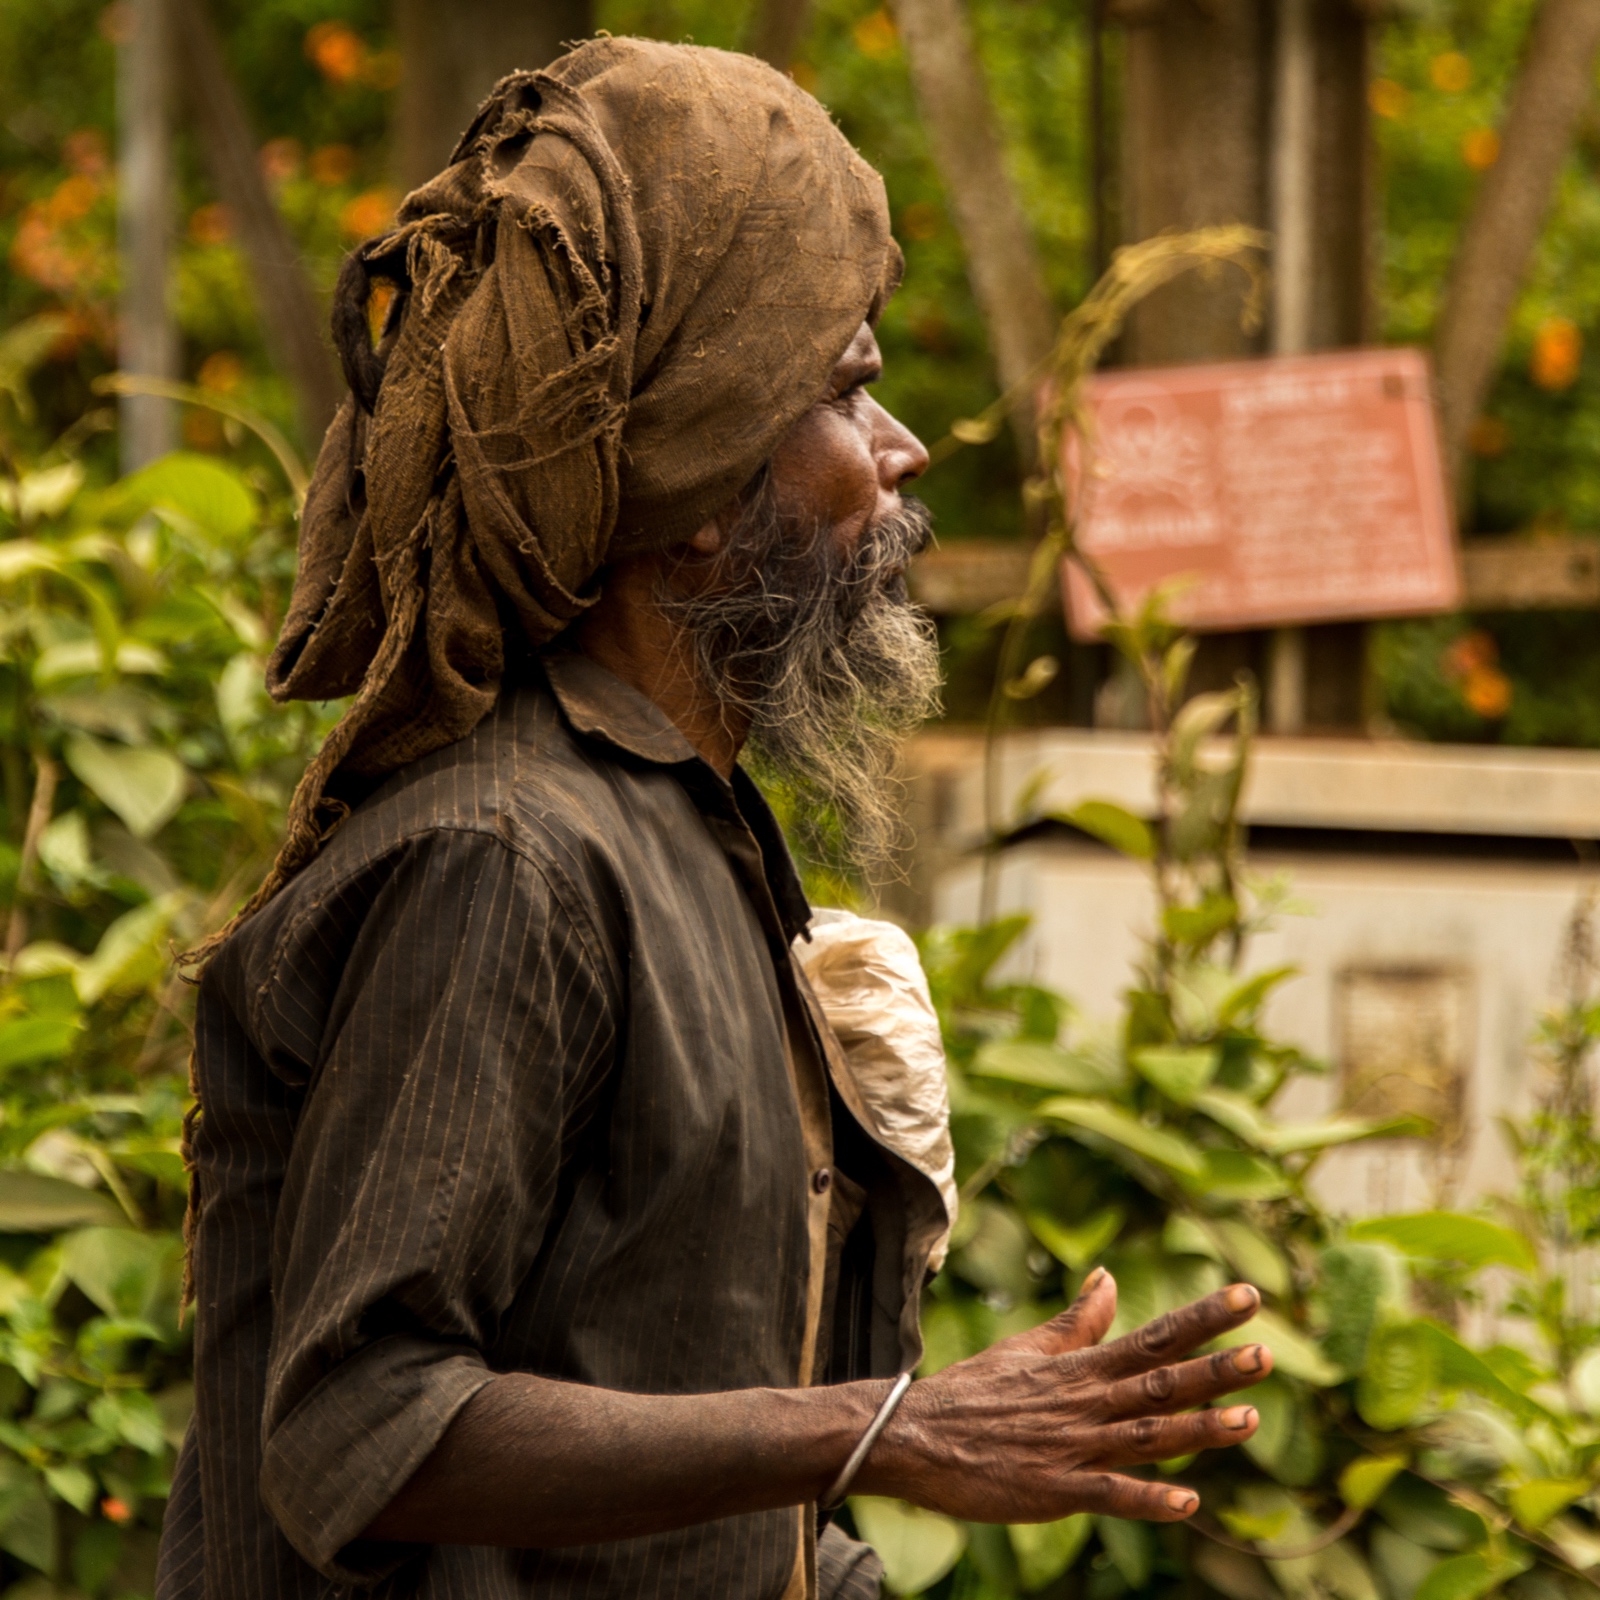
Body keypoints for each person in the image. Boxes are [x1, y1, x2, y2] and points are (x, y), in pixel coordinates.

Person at [155, 36, 1271, 1600]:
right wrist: (881, 1428)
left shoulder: (695, 835)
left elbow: (710, 1502)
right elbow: (360, 1425)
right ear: (690, 491)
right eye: (849, 391)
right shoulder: (507, 858)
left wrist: (854, 1493)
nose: (905, 450)